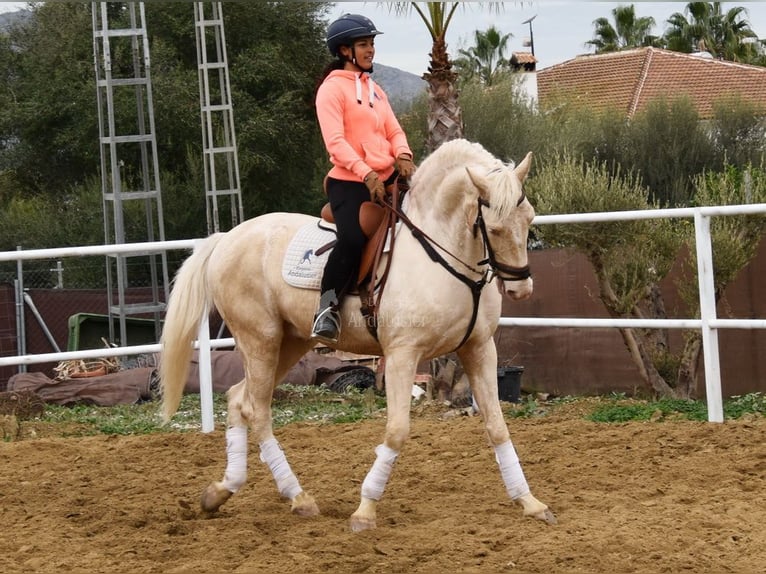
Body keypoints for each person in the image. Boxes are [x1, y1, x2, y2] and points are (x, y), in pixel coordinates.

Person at [311, 13, 416, 344]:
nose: (371, 50)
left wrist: (403, 156)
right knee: (353, 239)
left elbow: (394, 130)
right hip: (349, 182)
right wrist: (366, 172)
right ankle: (326, 310)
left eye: (371, 43)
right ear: (345, 51)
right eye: (363, 44)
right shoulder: (331, 91)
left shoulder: (377, 92)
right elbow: (336, 143)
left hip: (385, 179)